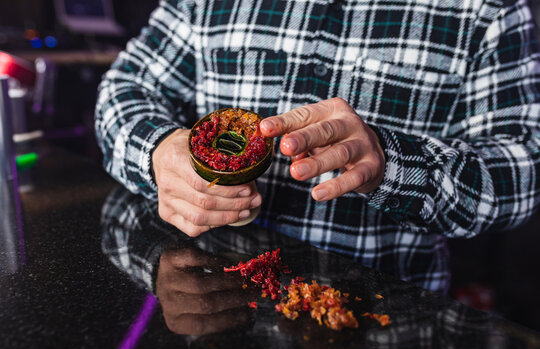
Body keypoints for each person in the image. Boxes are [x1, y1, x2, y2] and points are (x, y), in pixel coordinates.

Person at [95, 0, 540, 293]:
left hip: (381, 315)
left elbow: (521, 172)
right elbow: (125, 86)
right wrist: (157, 151)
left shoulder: (488, 10)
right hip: (219, 298)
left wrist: (390, 165)